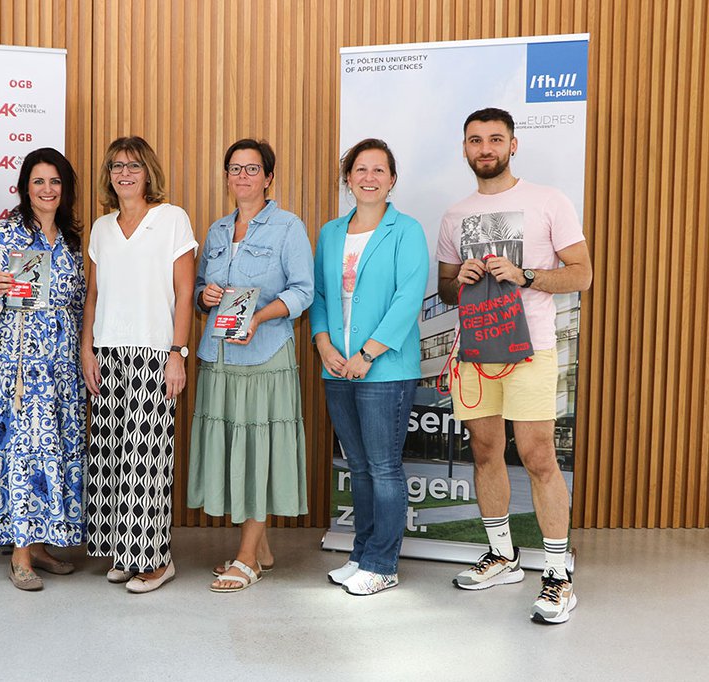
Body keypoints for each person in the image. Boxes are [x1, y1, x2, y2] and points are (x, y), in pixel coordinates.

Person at [436, 107, 592, 624]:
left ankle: (557, 576)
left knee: (538, 455)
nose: (485, 148)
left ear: (512, 145)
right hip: (476, 350)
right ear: (464, 149)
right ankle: (502, 556)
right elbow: (443, 288)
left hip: (531, 349)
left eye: (495, 139)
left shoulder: (549, 200)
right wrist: (464, 273)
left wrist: (525, 275)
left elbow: (582, 275)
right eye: (475, 139)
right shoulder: (456, 213)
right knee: (484, 450)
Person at [187, 139, 314, 592]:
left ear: (268, 177)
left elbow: (303, 291)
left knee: (258, 450)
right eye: (235, 168)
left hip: (264, 358)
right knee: (232, 449)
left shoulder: (288, 227)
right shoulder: (218, 230)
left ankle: (247, 559)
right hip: (219, 356)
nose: (242, 176)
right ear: (226, 177)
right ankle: (259, 546)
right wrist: (205, 296)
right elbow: (202, 289)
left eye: (252, 168)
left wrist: (259, 316)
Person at [310, 138, 429, 596]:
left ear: (392, 180)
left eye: (379, 170)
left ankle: (383, 563)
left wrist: (368, 354)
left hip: (385, 370)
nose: (369, 178)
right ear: (348, 180)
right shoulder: (330, 233)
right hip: (336, 367)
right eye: (361, 169)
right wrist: (322, 343)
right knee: (357, 466)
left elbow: (408, 298)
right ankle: (360, 554)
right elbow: (320, 295)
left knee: (382, 467)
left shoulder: (407, 231)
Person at [81, 136, 197, 593]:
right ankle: (125, 553)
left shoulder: (172, 219)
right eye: (116, 166)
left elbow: (186, 292)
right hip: (107, 353)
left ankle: (156, 559)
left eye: (133, 165)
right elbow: (93, 294)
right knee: (112, 460)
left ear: (148, 171)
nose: (124, 173)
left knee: (147, 461)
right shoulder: (101, 227)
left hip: (154, 354)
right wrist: (87, 349)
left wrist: (177, 353)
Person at [0, 148, 87, 592]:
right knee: (24, 451)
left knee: (55, 449)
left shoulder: (73, 241)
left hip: (62, 363)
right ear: (25, 187)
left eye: (55, 181)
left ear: (65, 189)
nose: (47, 189)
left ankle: (41, 545)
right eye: (38, 181)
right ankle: (19, 553)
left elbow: (81, 306)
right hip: (20, 362)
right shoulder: (6, 234)